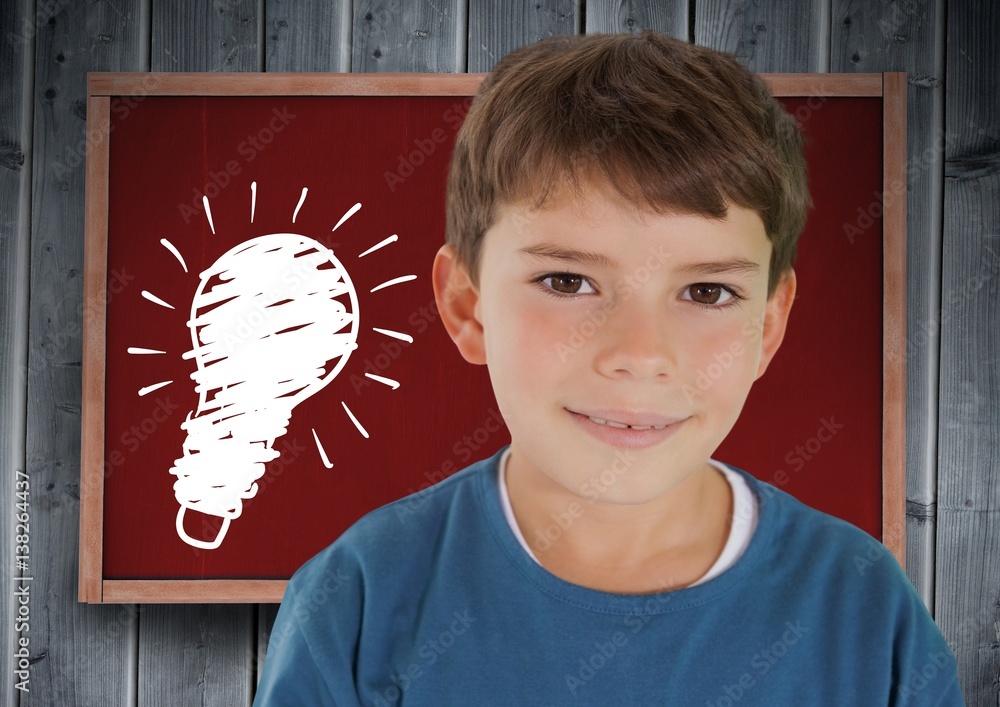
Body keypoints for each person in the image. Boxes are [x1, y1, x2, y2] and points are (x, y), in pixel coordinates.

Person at [254, 31, 963, 706]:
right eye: (567, 281)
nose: (639, 353)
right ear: (468, 306)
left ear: (769, 325)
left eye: (707, 291)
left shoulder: (862, 607)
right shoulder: (360, 599)